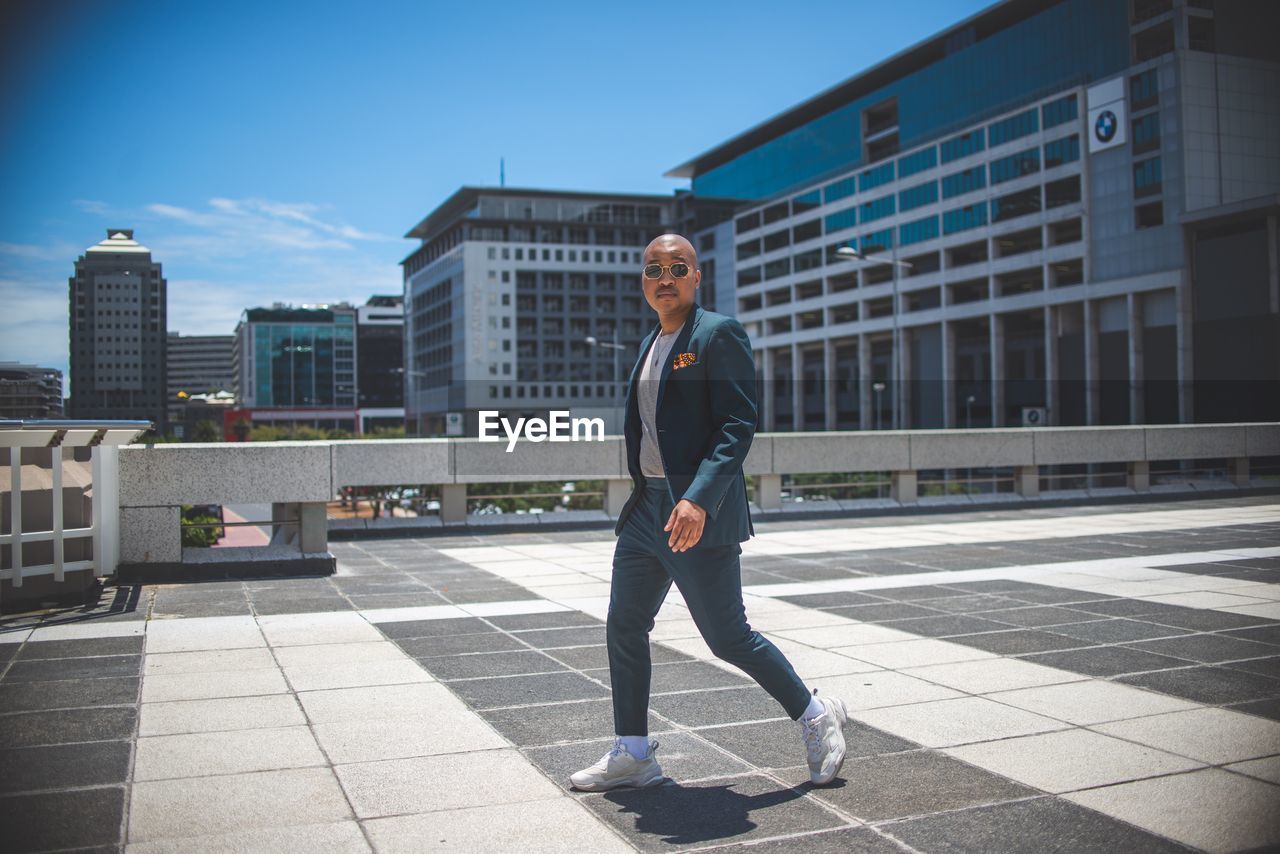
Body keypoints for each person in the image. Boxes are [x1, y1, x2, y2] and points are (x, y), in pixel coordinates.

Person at [570, 233, 847, 792]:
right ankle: (633, 752)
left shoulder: (717, 334)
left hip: (693, 510)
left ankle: (817, 716)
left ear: (697, 277)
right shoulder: (651, 343)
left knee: (728, 637)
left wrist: (697, 497)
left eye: (677, 268)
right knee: (625, 625)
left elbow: (737, 425)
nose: (664, 278)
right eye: (653, 269)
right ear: (643, 281)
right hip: (647, 507)